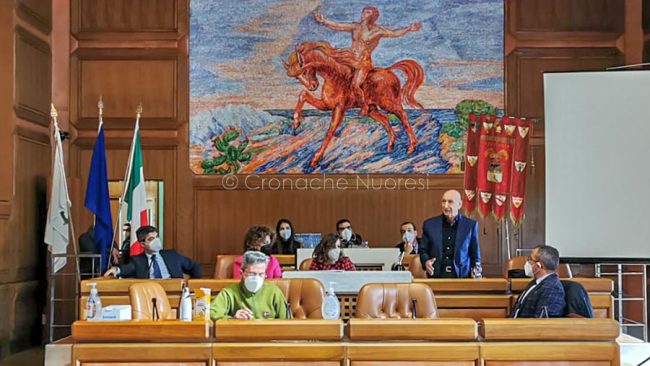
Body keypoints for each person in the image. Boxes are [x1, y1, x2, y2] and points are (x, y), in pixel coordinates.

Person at [314, 7, 421, 116]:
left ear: (374, 16)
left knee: (355, 84)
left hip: (363, 62)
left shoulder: (378, 31)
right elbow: (338, 26)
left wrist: (408, 29)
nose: (364, 14)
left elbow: (394, 33)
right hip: (350, 58)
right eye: (364, 12)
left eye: (368, 12)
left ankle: (364, 105)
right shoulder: (355, 27)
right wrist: (324, 21)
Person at [419, 190, 481, 278]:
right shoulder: (429, 225)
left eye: (450, 202)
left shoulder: (470, 225)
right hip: (436, 276)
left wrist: (477, 273)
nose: (446, 205)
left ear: (459, 204)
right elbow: (423, 250)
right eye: (443, 201)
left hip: (461, 277)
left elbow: (475, 254)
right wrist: (426, 262)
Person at [211, 251, 288, 320]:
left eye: (261, 274)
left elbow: (287, 321)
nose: (257, 278)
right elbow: (212, 314)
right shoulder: (229, 292)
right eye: (252, 274)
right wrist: (232, 318)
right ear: (242, 273)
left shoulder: (274, 292)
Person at [103, 226, 202, 279]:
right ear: (142, 244)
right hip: (150, 296)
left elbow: (195, 266)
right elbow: (126, 269)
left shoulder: (172, 255)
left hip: (174, 293)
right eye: (151, 239)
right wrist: (116, 269)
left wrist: (192, 286)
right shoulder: (137, 261)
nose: (156, 241)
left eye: (157, 237)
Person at [509, 245, 567, 318]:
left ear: (538, 266)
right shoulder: (535, 283)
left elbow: (542, 322)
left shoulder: (552, 288)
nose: (527, 262)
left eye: (530, 259)